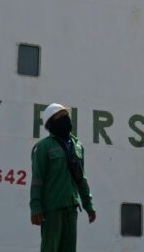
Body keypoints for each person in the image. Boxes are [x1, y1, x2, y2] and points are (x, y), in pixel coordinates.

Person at [30, 103, 96, 252]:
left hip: (71, 208)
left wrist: (88, 205)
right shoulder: (43, 147)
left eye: (66, 116)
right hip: (52, 209)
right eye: (60, 117)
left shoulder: (77, 146)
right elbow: (37, 180)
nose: (66, 119)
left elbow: (81, 179)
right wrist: (35, 208)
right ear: (51, 124)